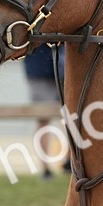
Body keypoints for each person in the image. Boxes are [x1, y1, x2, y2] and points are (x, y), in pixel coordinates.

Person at [23, 45, 67, 178]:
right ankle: (46, 167)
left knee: (71, 118)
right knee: (44, 120)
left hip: (65, 67)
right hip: (40, 69)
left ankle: (70, 161)